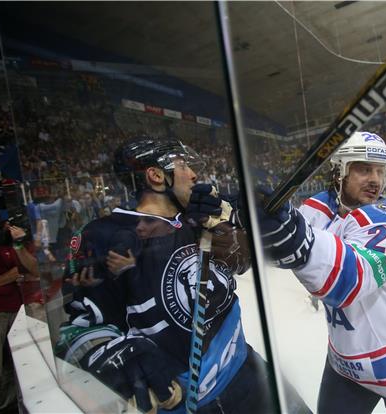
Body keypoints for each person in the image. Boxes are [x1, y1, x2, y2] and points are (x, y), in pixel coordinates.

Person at [55, 137, 305, 414]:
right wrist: (112, 354)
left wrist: (226, 225)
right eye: (183, 165)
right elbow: (80, 327)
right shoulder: (103, 235)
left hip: (247, 372)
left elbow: (240, 264)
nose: (194, 173)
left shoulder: (198, 217)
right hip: (180, 401)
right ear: (156, 175)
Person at [258, 131, 386, 414]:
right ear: (339, 171)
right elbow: (277, 247)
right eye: (364, 169)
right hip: (345, 363)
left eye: (380, 171)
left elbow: (348, 281)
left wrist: (288, 237)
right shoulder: (318, 207)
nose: (375, 179)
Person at [0, 210, 39, 412]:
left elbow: (27, 270)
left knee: (22, 364)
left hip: (19, 308)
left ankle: (18, 406)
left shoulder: (12, 243)